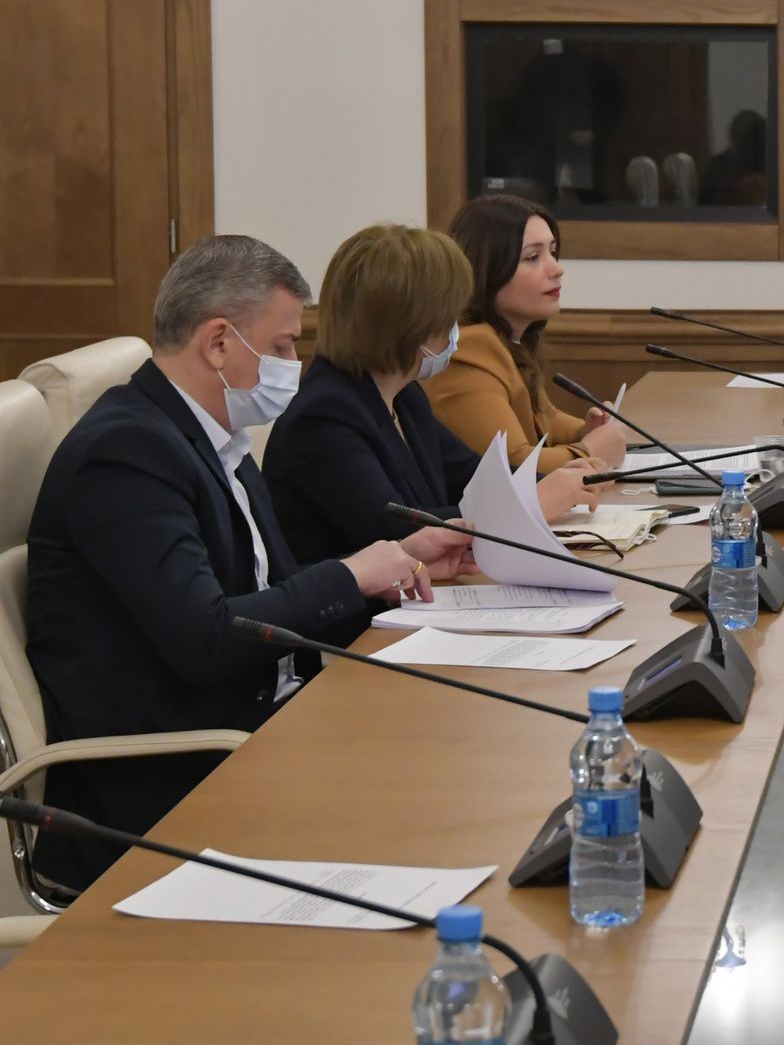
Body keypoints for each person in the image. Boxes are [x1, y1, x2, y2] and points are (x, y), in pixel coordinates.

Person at [24, 236, 475, 892]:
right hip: (174, 783)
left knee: (452, 753)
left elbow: (277, 594)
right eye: (284, 345)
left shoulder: (215, 440)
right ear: (218, 343)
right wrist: (352, 575)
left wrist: (396, 560)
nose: (295, 364)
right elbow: (206, 640)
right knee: (433, 811)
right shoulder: (124, 454)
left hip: (267, 727)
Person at [264, 224, 602, 568]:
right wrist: (530, 503)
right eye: (449, 316)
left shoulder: (405, 396)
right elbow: (396, 530)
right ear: (411, 325)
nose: (456, 329)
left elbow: (473, 476)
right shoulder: (323, 416)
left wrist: (560, 483)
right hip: (364, 603)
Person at [423, 195, 630, 473]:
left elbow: (543, 417)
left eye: (553, 252)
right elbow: (514, 465)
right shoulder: (468, 350)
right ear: (486, 269)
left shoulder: (508, 339)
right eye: (533, 257)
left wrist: (585, 431)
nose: (557, 268)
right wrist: (589, 450)